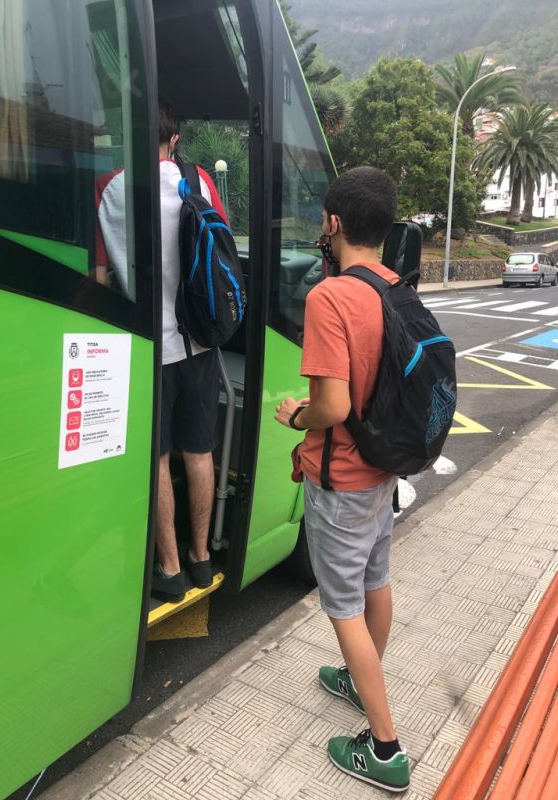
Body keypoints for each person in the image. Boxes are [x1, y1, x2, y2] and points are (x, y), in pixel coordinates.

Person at [274, 166, 410, 793]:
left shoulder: (330, 297)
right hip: (383, 468)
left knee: (344, 607)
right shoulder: (395, 288)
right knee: (375, 580)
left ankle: (385, 749)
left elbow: (331, 406)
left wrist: (294, 415)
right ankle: (361, 680)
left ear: (333, 224)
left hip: (342, 479)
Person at [96, 100, 228, 602]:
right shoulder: (198, 182)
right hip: (198, 343)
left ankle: (169, 570)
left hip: (146, 349)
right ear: (174, 141)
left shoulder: (108, 188)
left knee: (157, 458)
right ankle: (201, 557)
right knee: (199, 451)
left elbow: (100, 278)